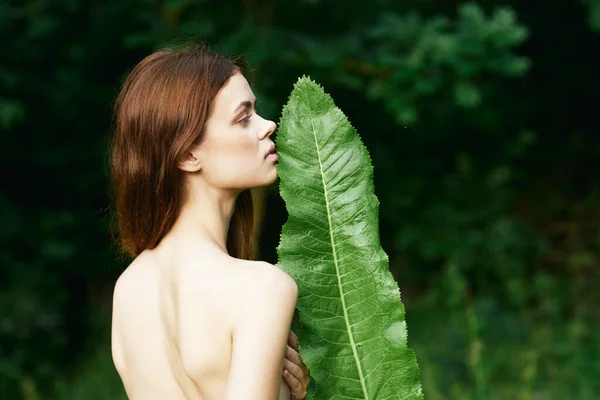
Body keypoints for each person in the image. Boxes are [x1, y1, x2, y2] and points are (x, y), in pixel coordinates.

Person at [109, 43, 310, 400]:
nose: (268, 125)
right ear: (187, 154)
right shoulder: (261, 288)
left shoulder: (128, 289)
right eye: (243, 118)